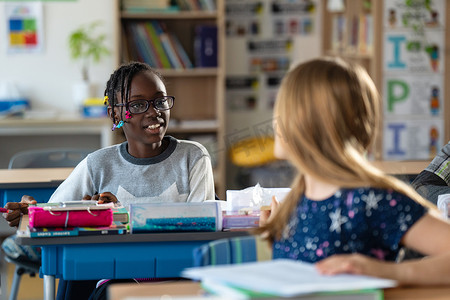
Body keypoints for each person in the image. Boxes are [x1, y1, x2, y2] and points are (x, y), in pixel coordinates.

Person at [2, 61, 216, 299]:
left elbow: (202, 233)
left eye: (160, 101)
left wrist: (118, 218)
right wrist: (31, 211)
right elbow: (53, 215)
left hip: (180, 278)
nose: (154, 111)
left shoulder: (194, 157)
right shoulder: (98, 164)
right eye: (137, 104)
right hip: (118, 276)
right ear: (115, 113)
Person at [256, 57, 450, 285]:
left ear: (311, 125)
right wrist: (278, 237)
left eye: (283, 113)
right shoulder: (296, 200)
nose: (275, 124)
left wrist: (387, 273)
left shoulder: (371, 199)